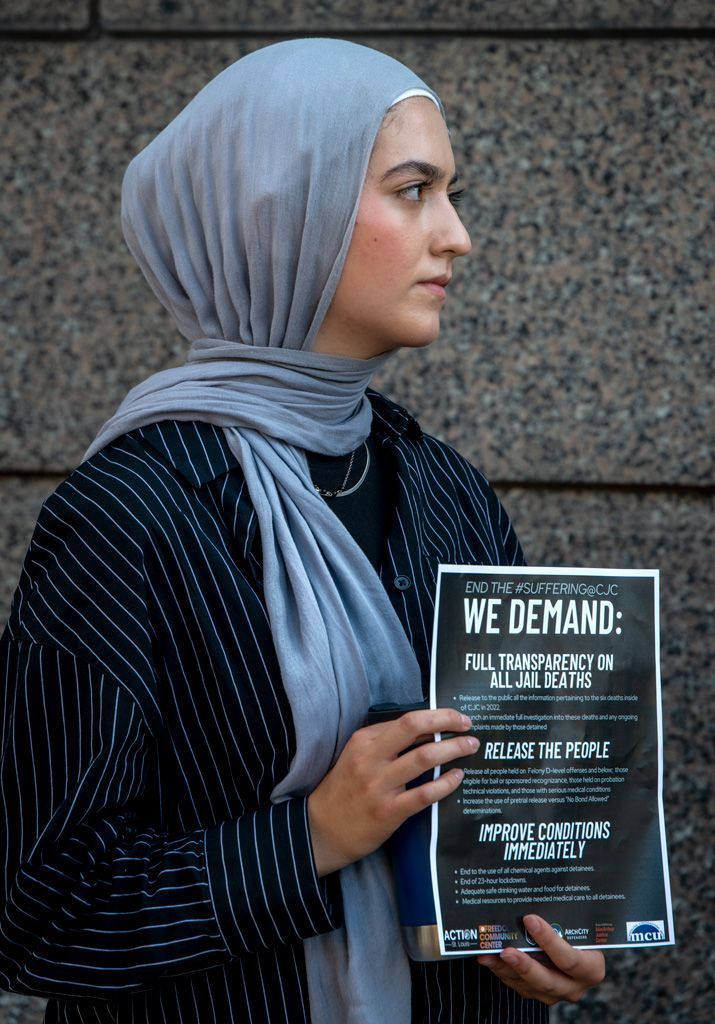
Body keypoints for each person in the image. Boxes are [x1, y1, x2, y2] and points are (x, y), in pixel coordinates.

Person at [0, 38, 605, 1023]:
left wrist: (563, 934)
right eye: (413, 189)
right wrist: (313, 836)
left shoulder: (444, 489)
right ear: (283, 216)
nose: (455, 235)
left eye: (451, 192)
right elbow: (39, 912)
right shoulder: (131, 514)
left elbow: (507, 822)